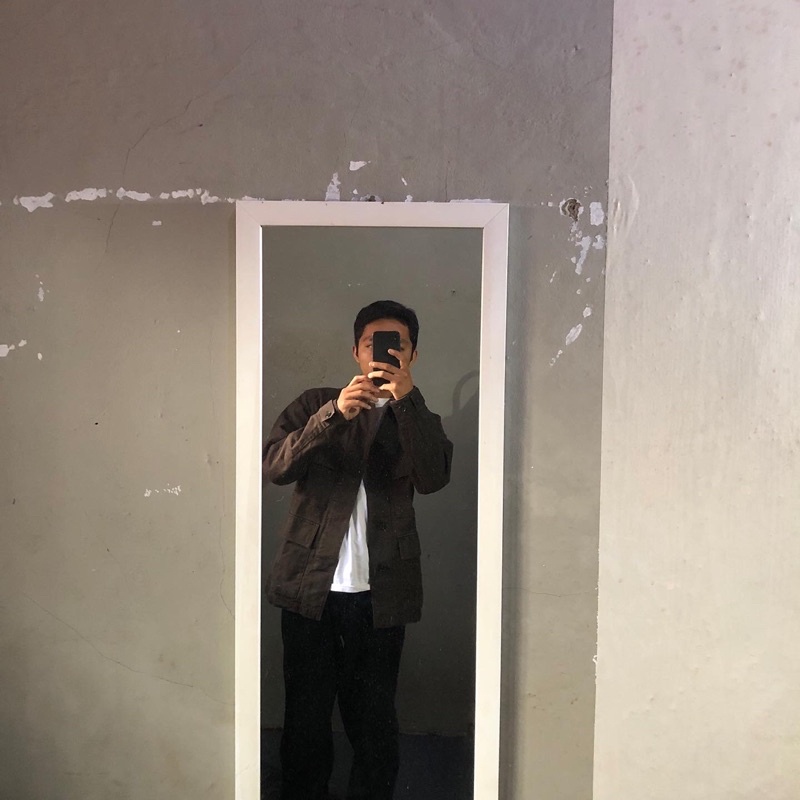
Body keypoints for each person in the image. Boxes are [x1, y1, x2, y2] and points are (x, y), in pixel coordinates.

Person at [263, 300, 454, 800]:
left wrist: (407, 400)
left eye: (397, 344)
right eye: (373, 342)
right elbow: (275, 466)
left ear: (412, 354)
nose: (384, 352)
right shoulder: (317, 404)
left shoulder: (417, 417)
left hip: (380, 596)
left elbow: (434, 476)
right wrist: (333, 416)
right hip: (310, 591)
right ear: (356, 351)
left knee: (373, 723)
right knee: (305, 719)